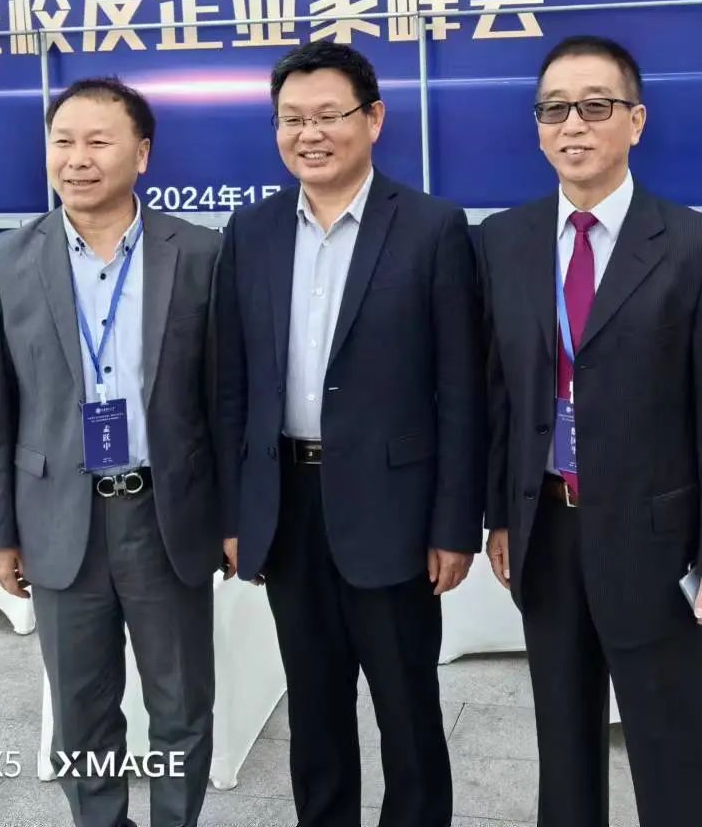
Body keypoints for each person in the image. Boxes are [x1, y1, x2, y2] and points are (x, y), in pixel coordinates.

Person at [479, 35, 702, 827]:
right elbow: (502, 394)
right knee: (564, 752)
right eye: (553, 109)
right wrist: (500, 514)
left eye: (594, 106)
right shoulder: (502, 241)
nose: (572, 125)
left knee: (674, 757)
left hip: (658, 542)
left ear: (636, 121)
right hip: (547, 535)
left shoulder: (701, 248)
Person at [213, 41, 483, 827]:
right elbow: (230, 387)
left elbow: (461, 390)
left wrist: (453, 525)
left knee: (407, 708)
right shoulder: (251, 232)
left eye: (329, 115)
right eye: (292, 119)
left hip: (393, 508)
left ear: (373, 119)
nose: (310, 134)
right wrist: (235, 514)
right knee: (315, 704)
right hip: (288, 503)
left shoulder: (432, 228)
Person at [0, 76, 221, 827]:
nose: (77, 159)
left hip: (165, 516)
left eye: (98, 142)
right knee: (81, 712)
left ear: (141, 154)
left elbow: (225, 401)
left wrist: (236, 519)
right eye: (63, 142)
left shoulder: (199, 253)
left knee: (181, 704)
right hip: (59, 520)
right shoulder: (7, 259)